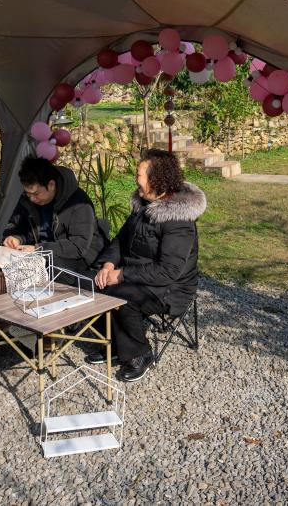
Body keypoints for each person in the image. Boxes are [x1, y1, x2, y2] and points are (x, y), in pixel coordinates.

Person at [88, 149, 206, 382]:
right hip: (140, 275)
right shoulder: (143, 204)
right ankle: (114, 343)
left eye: (139, 174)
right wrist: (108, 265)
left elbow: (168, 271)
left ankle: (140, 354)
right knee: (93, 281)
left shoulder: (177, 219)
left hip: (171, 287)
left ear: (156, 179)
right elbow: (120, 240)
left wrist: (122, 274)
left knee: (121, 296)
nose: (136, 178)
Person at [2, 156, 106, 275]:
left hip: (78, 259)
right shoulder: (27, 200)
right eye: (28, 193)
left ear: (51, 185)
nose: (32, 199)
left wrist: (38, 249)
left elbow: (78, 246)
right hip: (39, 252)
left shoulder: (79, 203)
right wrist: (15, 238)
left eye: (36, 194)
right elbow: (16, 225)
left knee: (48, 269)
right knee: (6, 263)